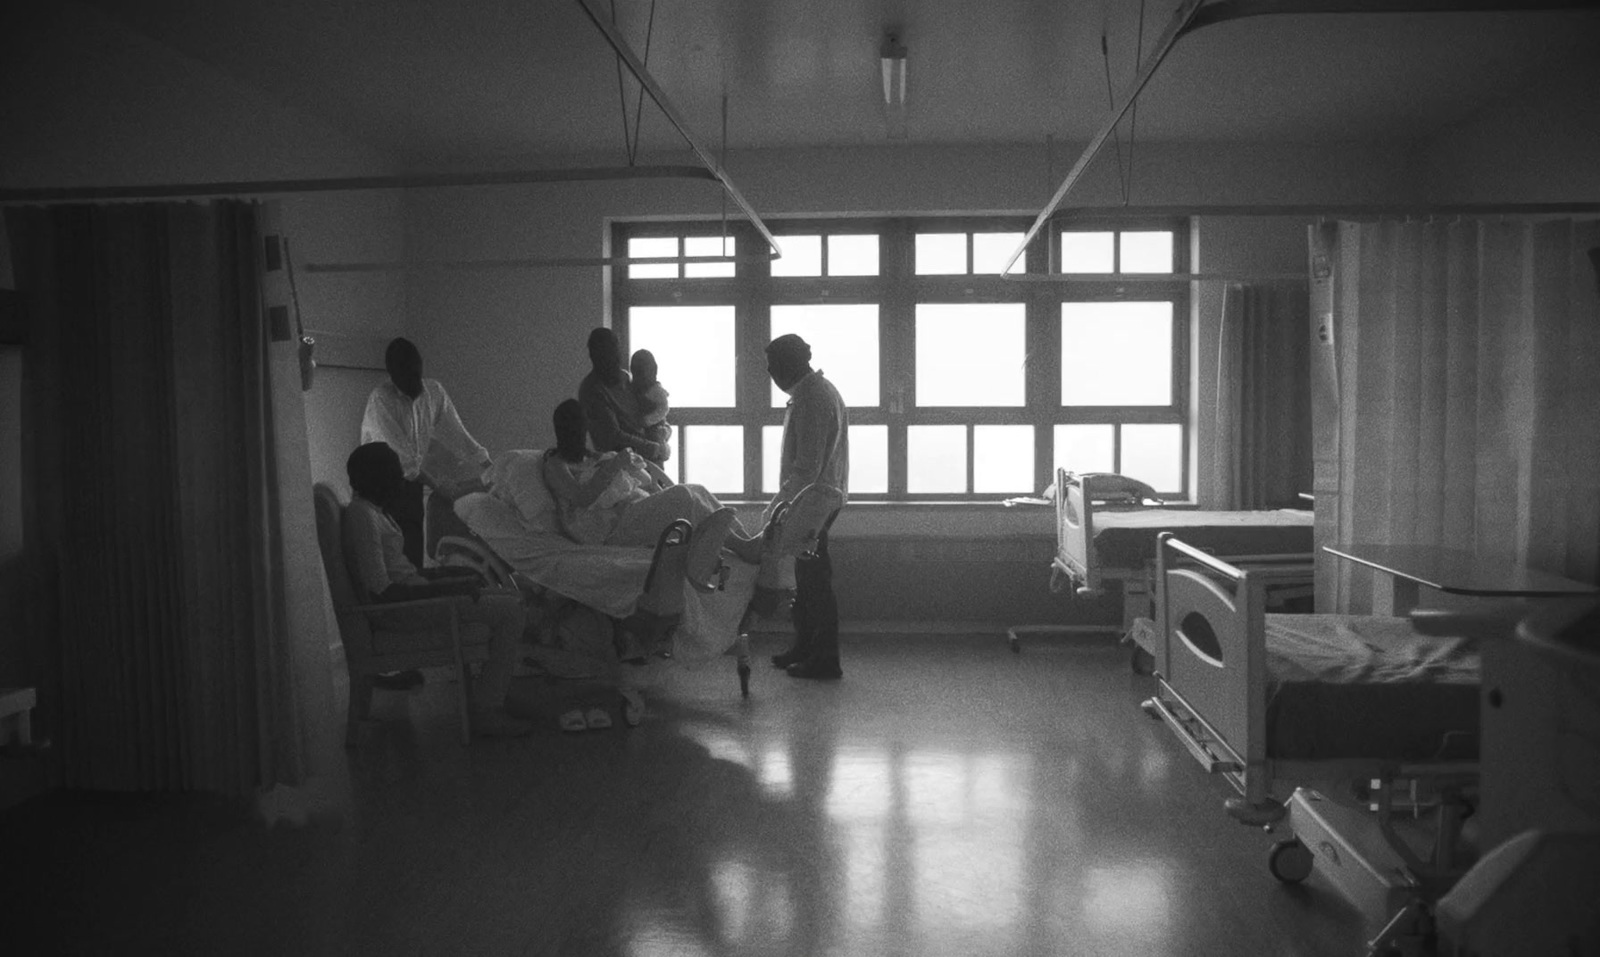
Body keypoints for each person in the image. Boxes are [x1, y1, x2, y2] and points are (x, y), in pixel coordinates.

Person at [343, 442, 532, 737]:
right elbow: (383, 591)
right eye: (395, 474)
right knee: (512, 610)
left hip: (414, 600)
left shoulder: (371, 512)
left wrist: (449, 575)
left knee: (510, 599)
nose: (401, 481)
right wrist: (448, 590)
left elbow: (403, 573)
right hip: (401, 612)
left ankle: (494, 694)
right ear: (377, 478)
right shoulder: (362, 517)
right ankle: (487, 708)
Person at [542, 398, 763, 578]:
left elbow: (619, 472)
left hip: (627, 509)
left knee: (697, 490)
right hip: (608, 529)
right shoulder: (556, 463)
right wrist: (614, 465)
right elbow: (581, 497)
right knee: (684, 497)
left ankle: (744, 539)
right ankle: (743, 547)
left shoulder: (588, 456)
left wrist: (625, 464)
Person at [361, 337, 492, 569]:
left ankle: (416, 595)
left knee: (412, 555)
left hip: (410, 485)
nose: (415, 384)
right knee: (390, 559)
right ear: (392, 377)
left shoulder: (434, 392)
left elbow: (458, 435)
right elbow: (404, 462)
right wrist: (439, 486)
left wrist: (488, 465)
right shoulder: (381, 400)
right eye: (407, 379)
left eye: (416, 376)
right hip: (378, 488)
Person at [764, 334, 849, 680]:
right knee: (806, 577)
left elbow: (807, 467)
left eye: (772, 366)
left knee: (815, 580)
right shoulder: (814, 391)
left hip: (814, 500)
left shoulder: (812, 397)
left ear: (789, 364)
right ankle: (806, 646)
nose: (770, 374)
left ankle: (825, 657)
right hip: (818, 498)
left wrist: (777, 508)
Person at [578, 328, 670, 466]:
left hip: (650, 459)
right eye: (607, 355)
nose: (614, 359)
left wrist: (664, 430)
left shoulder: (625, 378)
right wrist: (652, 447)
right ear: (594, 357)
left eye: (616, 352)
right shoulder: (592, 389)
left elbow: (649, 409)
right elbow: (611, 437)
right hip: (621, 465)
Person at [629, 348, 673, 455]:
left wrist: (648, 420)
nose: (641, 378)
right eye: (637, 373)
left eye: (643, 372)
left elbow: (664, 408)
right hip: (641, 430)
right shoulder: (632, 389)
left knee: (657, 437)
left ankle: (662, 452)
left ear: (654, 371)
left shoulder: (656, 390)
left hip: (655, 424)